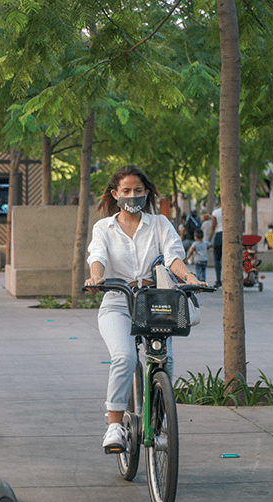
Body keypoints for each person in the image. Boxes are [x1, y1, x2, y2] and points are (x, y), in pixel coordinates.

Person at [85, 164, 207, 454]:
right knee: (125, 358)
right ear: (115, 194)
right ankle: (115, 424)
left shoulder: (160, 223)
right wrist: (95, 276)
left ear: (147, 193)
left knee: (164, 361)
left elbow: (173, 256)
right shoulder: (104, 227)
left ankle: (160, 418)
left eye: (138, 191)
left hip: (155, 302)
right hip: (118, 301)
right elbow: (98, 255)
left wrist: (188, 276)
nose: (132, 196)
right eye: (126, 191)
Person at [208, 201, 223, 288]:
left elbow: (212, 227)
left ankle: (218, 280)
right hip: (228, 235)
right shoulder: (230, 210)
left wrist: (209, 241)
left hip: (218, 236)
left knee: (217, 259)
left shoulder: (216, 212)